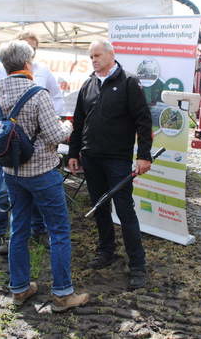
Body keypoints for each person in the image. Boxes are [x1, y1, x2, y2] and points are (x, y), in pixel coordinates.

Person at [0, 40, 89, 311]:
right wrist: (67, 125)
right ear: (27, 63)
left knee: (18, 229)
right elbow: (55, 135)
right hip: (41, 172)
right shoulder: (37, 93)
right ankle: (62, 294)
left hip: (12, 172)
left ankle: (20, 288)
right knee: (58, 231)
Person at [68, 39, 153, 290]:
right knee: (100, 207)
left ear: (111, 54)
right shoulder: (88, 84)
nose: (93, 60)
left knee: (125, 210)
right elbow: (78, 122)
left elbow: (143, 121)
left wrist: (144, 155)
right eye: (91, 57)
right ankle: (106, 251)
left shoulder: (129, 82)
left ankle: (137, 265)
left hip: (117, 159)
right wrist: (73, 153)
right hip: (91, 158)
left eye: (97, 55)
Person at [0, 31, 64, 254]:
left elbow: (57, 97)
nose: (31, 53)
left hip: (35, 149)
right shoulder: (0, 69)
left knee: (31, 194)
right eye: (27, 48)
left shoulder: (43, 71)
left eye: (34, 48)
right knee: (4, 191)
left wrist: (50, 119)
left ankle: (37, 230)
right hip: (9, 146)